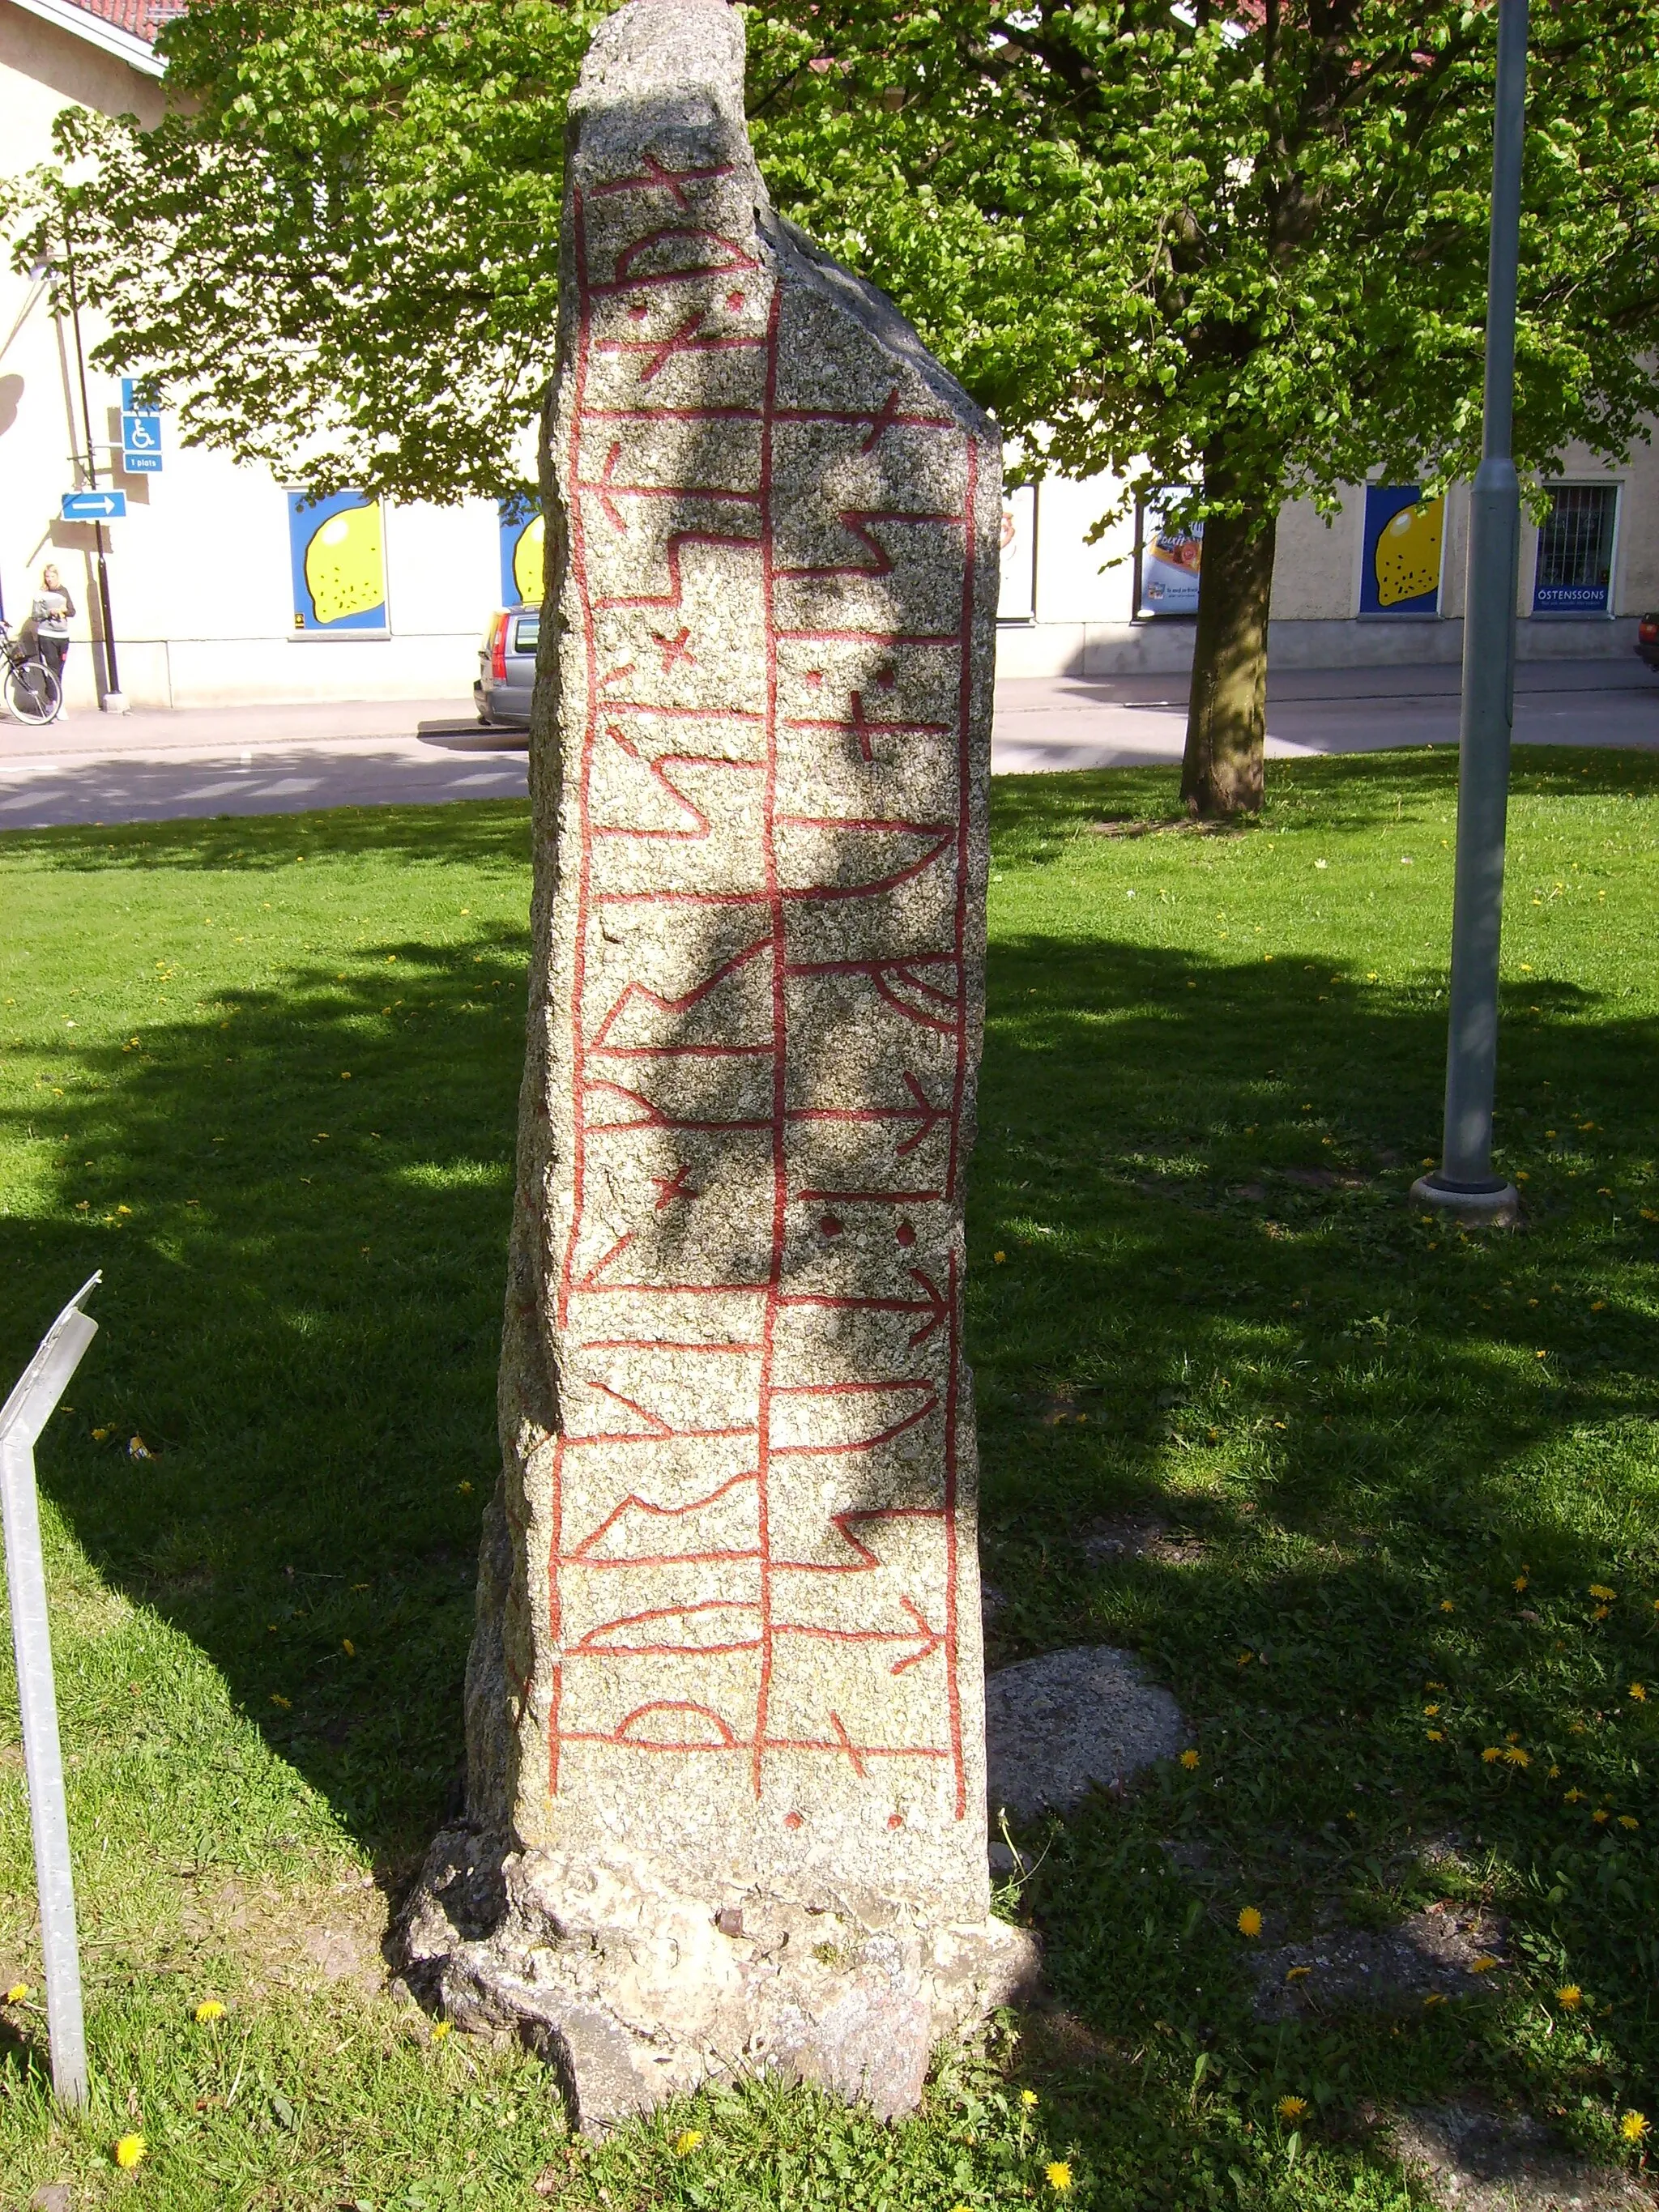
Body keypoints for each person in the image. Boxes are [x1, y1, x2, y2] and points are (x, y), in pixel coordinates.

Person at [29, 565, 76, 694]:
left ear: (57, 577)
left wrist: (65, 611)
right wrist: (48, 613)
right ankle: (54, 701)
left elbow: (73, 612)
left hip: (63, 636)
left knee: (59, 669)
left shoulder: (64, 591)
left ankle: (55, 700)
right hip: (47, 635)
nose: (49, 579)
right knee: (51, 668)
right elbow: (35, 615)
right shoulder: (41, 593)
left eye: (52, 576)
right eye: (47, 576)